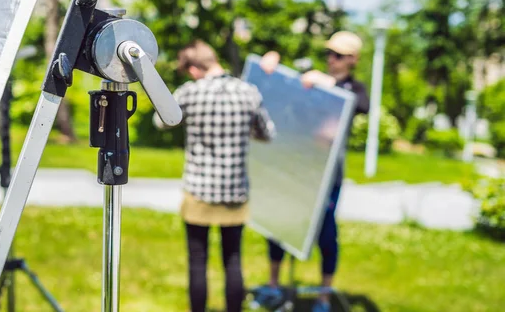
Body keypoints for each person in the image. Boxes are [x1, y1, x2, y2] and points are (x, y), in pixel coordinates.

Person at [154, 39, 276, 312]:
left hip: (198, 190)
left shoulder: (189, 92)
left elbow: (161, 121)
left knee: (197, 260)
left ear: (194, 68)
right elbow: (267, 133)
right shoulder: (249, 92)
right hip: (235, 190)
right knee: (233, 259)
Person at [256, 31, 370, 312]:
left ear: (353, 60)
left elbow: (363, 106)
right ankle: (273, 285)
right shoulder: (312, 80)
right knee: (280, 224)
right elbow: (282, 93)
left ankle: (323, 297)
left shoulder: (354, 89)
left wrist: (328, 83)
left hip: (328, 176)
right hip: (297, 166)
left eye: (339, 56)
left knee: (326, 234)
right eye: (329, 54)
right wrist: (268, 67)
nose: (331, 60)